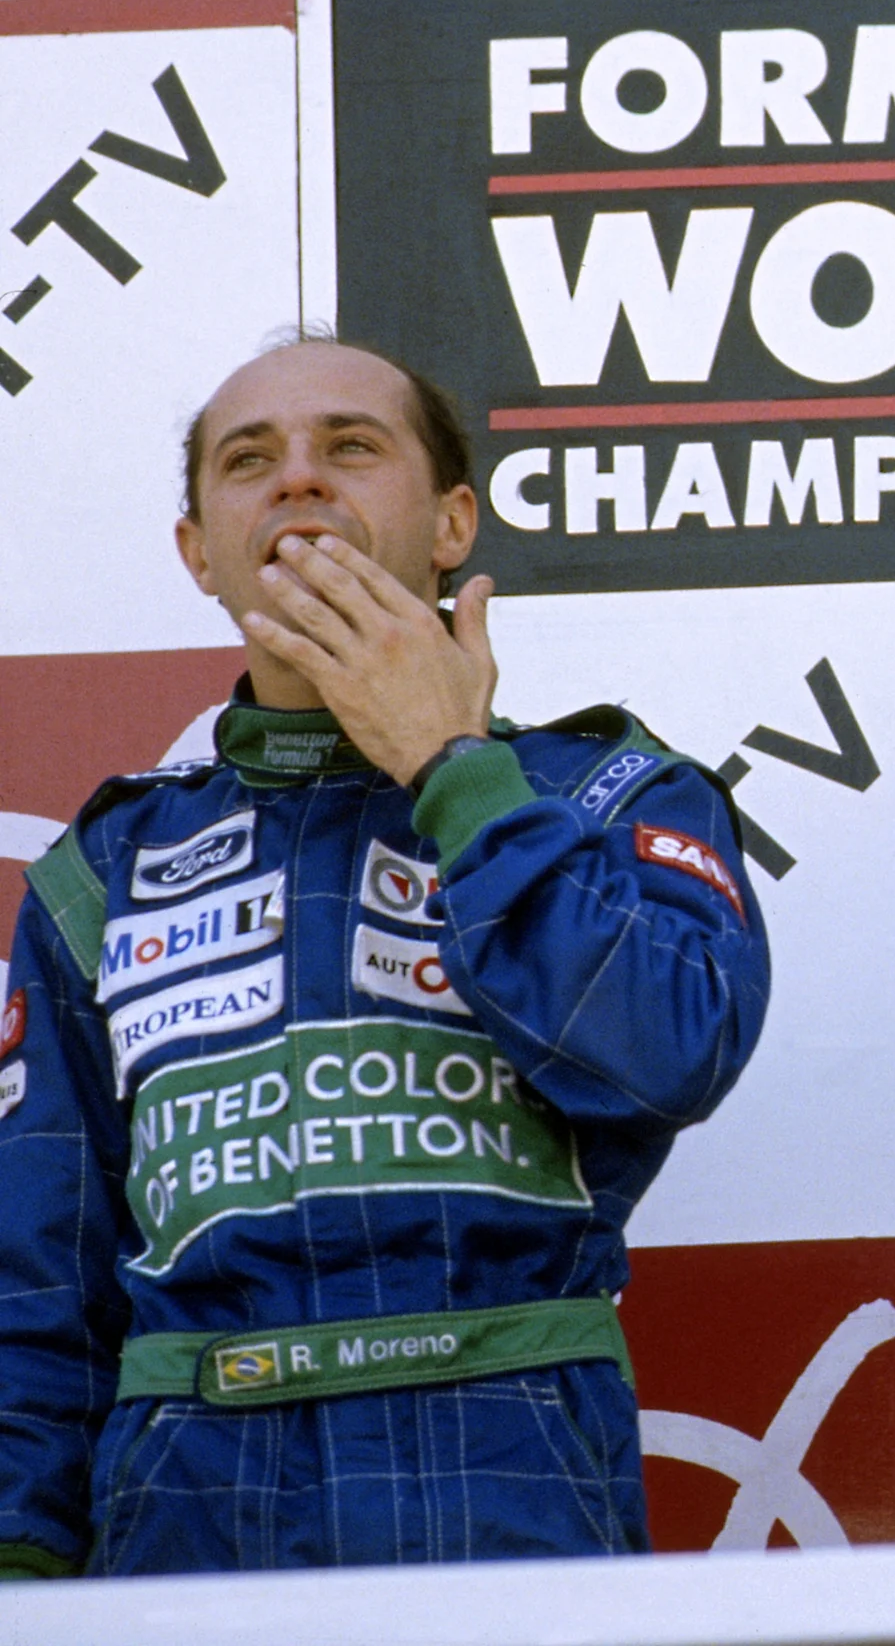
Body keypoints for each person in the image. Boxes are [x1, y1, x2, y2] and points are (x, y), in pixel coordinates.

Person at [0, 337, 770, 1574]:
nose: (299, 478)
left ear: (453, 522)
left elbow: (668, 1048)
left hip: (510, 1496)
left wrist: (451, 767)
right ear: (199, 552)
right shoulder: (105, 867)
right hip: (191, 1519)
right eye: (249, 460)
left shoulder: (610, 795)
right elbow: (37, 1296)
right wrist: (20, 1571)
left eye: (351, 446)